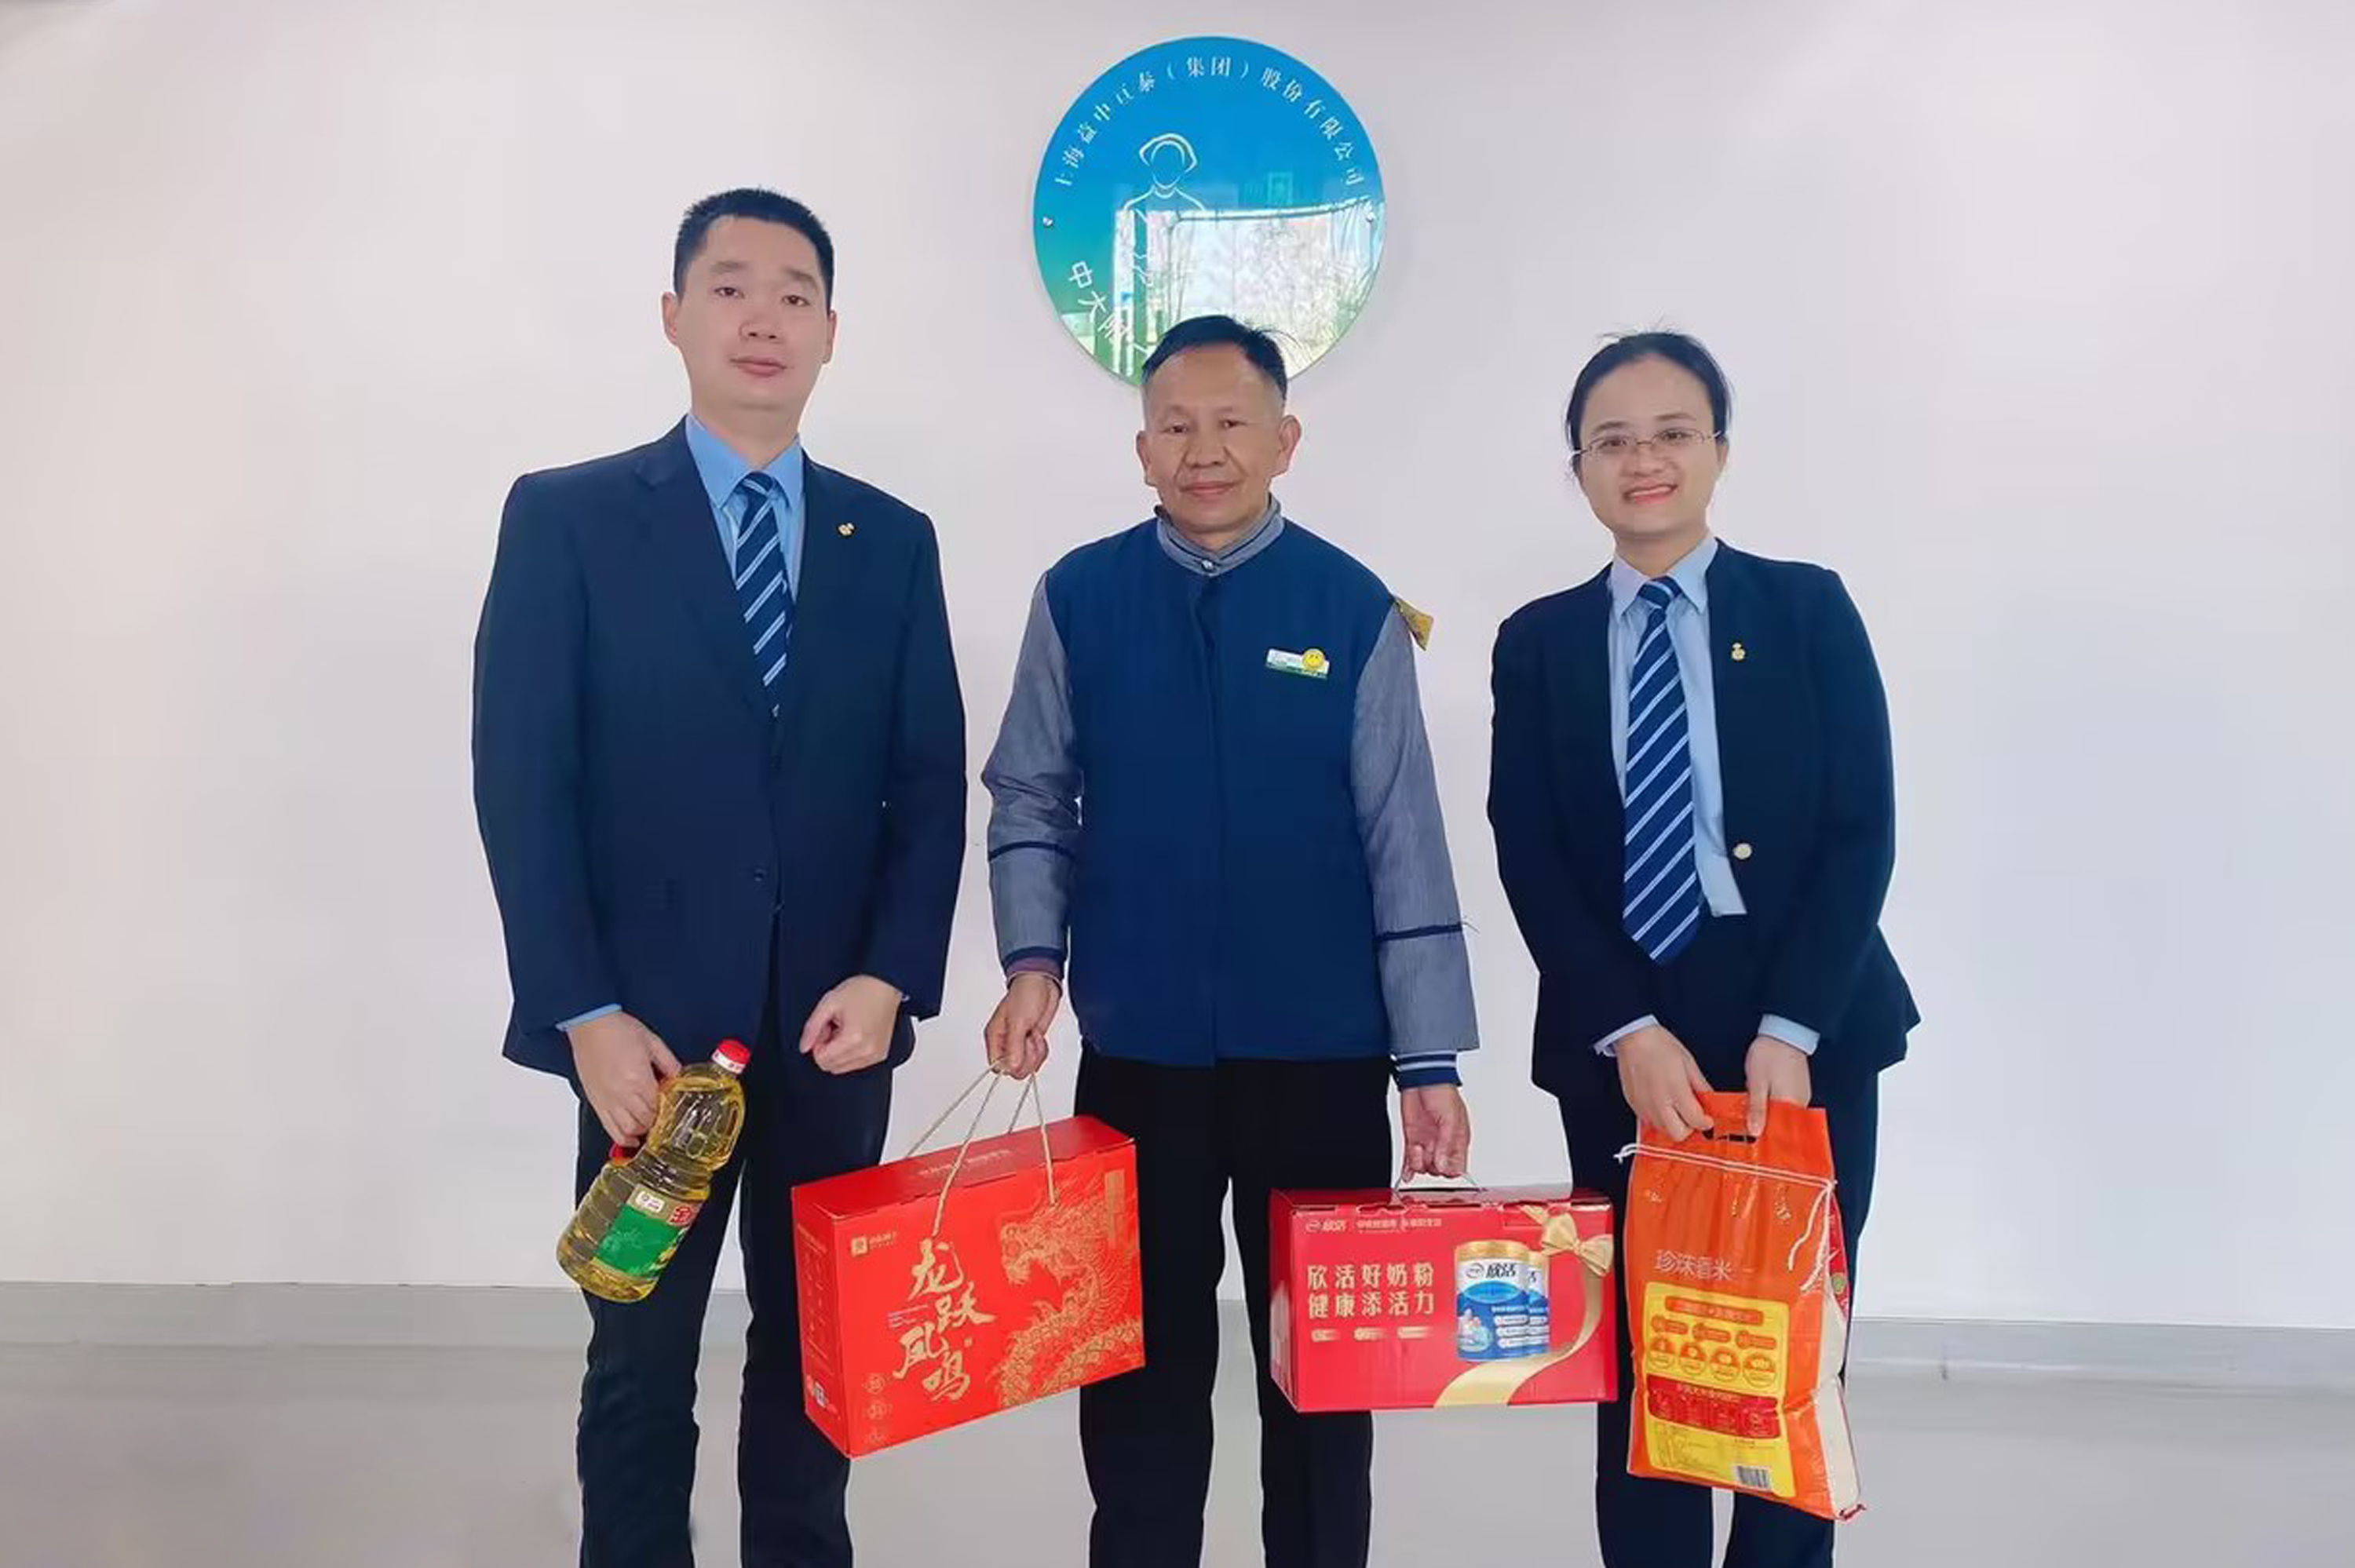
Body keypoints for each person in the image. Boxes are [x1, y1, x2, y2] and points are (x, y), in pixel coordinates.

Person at [472, 188, 965, 1568]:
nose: (764, 318)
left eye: (795, 294)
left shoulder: (890, 540)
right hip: (644, 1046)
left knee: (817, 1353)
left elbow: (928, 782)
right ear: (674, 315)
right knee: (639, 1357)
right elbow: (522, 783)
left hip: (831, 1032)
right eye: (731, 286)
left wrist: (891, 975)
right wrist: (582, 1009)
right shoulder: (570, 518)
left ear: (830, 332)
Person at [982, 314, 1479, 1568]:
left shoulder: (1350, 606)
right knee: (1136, 1369)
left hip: (1321, 1058)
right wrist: (1033, 960)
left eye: (1233, 423)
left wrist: (1428, 1061)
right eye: (1176, 426)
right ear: (1142, 449)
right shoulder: (1080, 597)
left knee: (1322, 1375)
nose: (1205, 450)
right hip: (1138, 1051)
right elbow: (1032, 792)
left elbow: (1404, 836)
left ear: (1286, 439)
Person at [1486, 331, 1916, 1568]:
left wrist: (1793, 1028)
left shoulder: (1807, 607)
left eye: (1673, 432)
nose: (1645, 460)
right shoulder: (1540, 639)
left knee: (1790, 1340)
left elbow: (1862, 827)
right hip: (1627, 1030)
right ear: (1580, 469)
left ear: (1719, 451)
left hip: (1805, 1016)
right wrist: (1625, 1027)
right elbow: (1531, 849)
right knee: (1639, 1352)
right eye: (1612, 440)